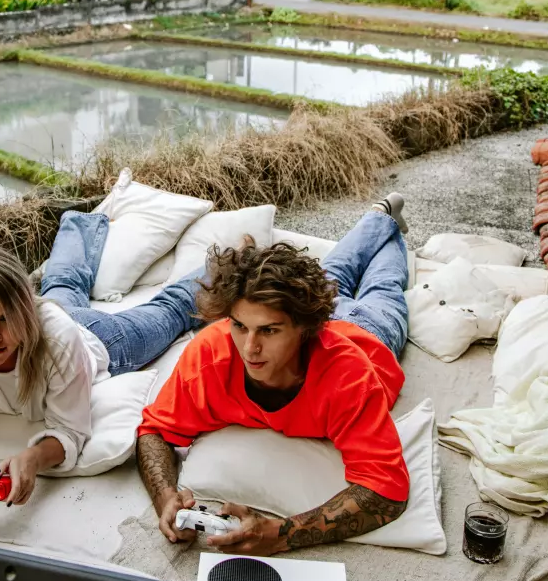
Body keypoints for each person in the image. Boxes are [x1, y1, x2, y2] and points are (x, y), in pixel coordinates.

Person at [136, 194, 412, 557]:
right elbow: (154, 430)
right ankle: (377, 216)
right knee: (334, 276)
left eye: (268, 331)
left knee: (383, 287)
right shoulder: (210, 355)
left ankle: (387, 223)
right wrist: (165, 497)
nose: (249, 348)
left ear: (304, 329)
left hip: (370, 333)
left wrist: (283, 533)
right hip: (313, 315)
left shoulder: (347, 376)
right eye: (239, 326)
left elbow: (387, 491)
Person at [0, 211, 202, 520]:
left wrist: (33, 458)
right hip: (54, 318)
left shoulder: (58, 337)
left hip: (99, 337)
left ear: (25, 311)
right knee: (62, 284)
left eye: (6, 319)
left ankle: (233, 262)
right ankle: (76, 222)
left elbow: (70, 430)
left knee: (171, 310)